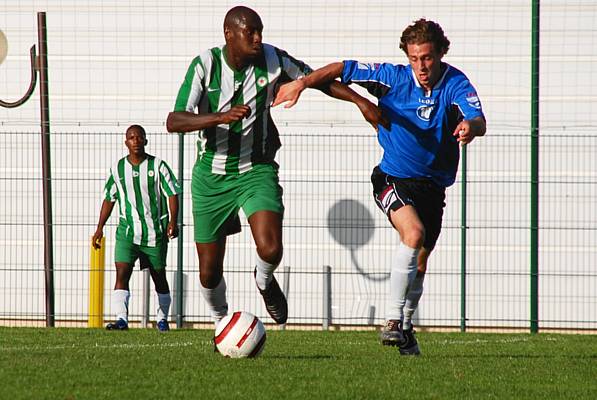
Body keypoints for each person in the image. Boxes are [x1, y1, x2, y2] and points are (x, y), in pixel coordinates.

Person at [273, 18, 486, 354]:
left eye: (428, 58)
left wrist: (469, 127)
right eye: (414, 58)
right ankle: (392, 320)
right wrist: (301, 83)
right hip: (392, 177)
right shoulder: (392, 78)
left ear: (441, 53)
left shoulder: (456, 83)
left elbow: (478, 119)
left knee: (419, 262)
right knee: (412, 234)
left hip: (433, 186)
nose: (421, 66)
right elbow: (341, 68)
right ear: (407, 56)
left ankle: (406, 324)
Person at [166, 6, 380, 326]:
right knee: (209, 272)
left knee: (271, 249)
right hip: (211, 176)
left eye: (260, 31)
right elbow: (174, 120)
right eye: (250, 32)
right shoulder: (205, 65)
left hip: (256, 168)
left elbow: (315, 80)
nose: (257, 38)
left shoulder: (273, 59)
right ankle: (222, 321)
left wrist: (360, 101)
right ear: (229, 34)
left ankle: (264, 280)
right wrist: (219, 117)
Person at [92, 124, 182, 332]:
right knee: (122, 271)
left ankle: (162, 319)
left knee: (159, 276)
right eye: (131, 137)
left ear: (145, 141)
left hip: (154, 232)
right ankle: (122, 319)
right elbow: (109, 198)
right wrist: (99, 228)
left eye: (139, 137)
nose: (135, 141)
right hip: (127, 232)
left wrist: (172, 221)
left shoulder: (158, 166)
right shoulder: (117, 169)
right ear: (126, 142)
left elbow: (172, 194)